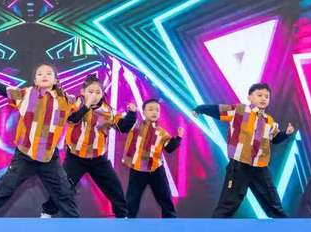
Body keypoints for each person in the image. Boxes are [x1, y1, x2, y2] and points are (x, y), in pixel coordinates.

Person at [0, 64, 79, 218]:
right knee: (7, 186)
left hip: (48, 156)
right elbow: (5, 90)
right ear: (35, 80)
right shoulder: (26, 94)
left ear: (56, 80)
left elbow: (76, 117)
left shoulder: (65, 99)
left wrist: (89, 103)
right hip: (25, 154)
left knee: (64, 191)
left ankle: (74, 221)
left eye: (49, 73)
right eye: (40, 74)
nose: (44, 76)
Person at [195, 82, 296, 219]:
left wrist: (286, 134)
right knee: (228, 203)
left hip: (260, 166)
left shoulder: (269, 121)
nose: (263, 98)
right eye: (259, 95)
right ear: (249, 97)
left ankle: (287, 227)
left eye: (266, 96)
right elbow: (218, 110)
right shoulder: (239, 111)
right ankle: (216, 228)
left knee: (273, 203)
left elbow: (275, 138)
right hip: (239, 164)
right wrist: (200, 109)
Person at [40, 75, 135, 218]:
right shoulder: (76, 104)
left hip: (98, 159)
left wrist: (132, 114)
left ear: (102, 94)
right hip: (75, 158)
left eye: (98, 92)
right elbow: (72, 119)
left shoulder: (108, 111)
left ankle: (122, 216)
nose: (94, 95)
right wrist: (86, 106)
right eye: (90, 92)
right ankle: (47, 212)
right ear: (82, 92)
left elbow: (124, 127)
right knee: (63, 187)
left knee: (114, 187)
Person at [123, 99, 184, 218]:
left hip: (156, 169)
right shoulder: (136, 126)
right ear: (144, 112)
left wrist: (178, 138)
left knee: (165, 197)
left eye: (157, 110)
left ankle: (170, 221)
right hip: (137, 169)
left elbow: (169, 148)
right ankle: (128, 221)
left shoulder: (162, 132)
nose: (154, 112)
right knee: (132, 199)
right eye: (150, 109)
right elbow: (126, 124)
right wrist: (132, 112)